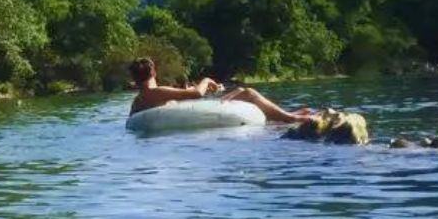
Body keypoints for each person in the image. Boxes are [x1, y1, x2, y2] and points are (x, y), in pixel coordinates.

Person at [128, 57, 310, 123]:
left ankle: (284, 116)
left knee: (239, 93)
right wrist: (206, 80)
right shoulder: (157, 91)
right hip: (190, 124)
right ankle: (290, 117)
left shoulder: (138, 101)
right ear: (154, 72)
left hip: (178, 123)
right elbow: (197, 94)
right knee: (246, 93)